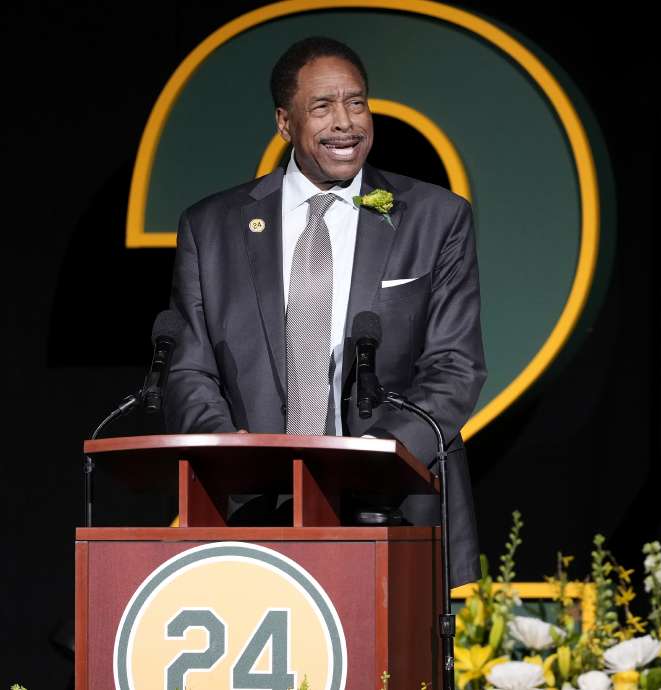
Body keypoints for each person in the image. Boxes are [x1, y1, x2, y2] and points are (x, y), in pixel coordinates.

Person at [164, 36, 485, 585]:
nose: (347, 123)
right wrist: (232, 457)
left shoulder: (434, 217)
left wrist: (372, 460)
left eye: (356, 103)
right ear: (285, 123)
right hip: (254, 513)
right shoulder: (211, 227)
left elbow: (456, 366)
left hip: (393, 511)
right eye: (323, 107)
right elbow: (189, 367)